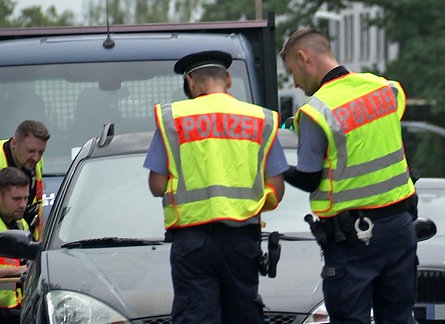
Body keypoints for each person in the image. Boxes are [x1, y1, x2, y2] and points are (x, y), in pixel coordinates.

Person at [279, 27, 418, 323]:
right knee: (398, 317)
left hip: (353, 242)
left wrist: (276, 166)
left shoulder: (316, 111)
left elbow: (309, 179)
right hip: (399, 229)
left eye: (292, 71)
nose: (294, 82)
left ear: (304, 58)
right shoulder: (386, 88)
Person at [143, 50, 288, 324]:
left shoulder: (174, 119)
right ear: (229, 79)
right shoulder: (260, 119)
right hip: (243, 241)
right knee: (243, 315)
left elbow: (156, 184)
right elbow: (276, 188)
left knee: (195, 316)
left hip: (192, 243)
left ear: (190, 82)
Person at [0, 120, 50, 241]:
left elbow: (37, 204)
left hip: (26, 241)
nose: (36, 158)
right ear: (14, 143)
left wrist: (40, 242)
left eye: (41, 152)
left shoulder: (36, 162)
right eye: (31, 151)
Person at [0, 167, 32, 324]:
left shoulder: (21, 223)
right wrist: (18, 271)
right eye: (16, 199)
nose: (23, 204)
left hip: (16, 308)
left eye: (25, 198)